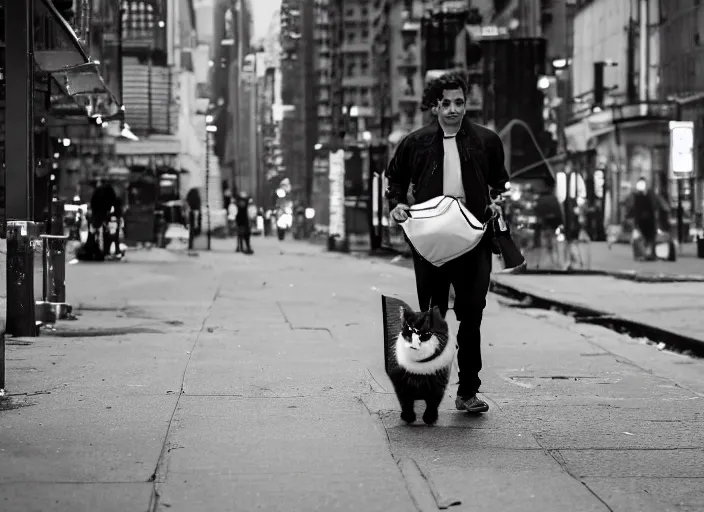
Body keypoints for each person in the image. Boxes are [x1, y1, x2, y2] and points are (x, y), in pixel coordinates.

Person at [385, 72, 509, 414]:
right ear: (433, 106)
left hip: (473, 239)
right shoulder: (416, 142)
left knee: (473, 314)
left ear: (466, 104)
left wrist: (496, 201)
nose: (453, 109)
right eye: (445, 103)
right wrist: (397, 203)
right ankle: (427, 387)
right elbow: (395, 177)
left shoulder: (487, 141)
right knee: (432, 316)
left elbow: (500, 181)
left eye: (459, 103)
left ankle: (468, 390)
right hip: (430, 242)